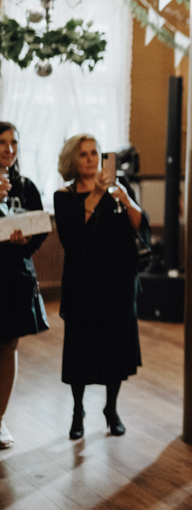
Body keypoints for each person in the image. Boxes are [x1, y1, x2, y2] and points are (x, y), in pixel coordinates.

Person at [54, 134, 148, 439]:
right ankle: (77, 411)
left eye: (94, 152)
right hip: (83, 283)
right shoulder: (64, 195)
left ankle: (111, 409)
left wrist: (126, 199)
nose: (91, 159)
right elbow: (71, 238)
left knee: (115, 347)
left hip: (118, 282)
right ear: (72, 160)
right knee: (80, 349)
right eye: (83, 154)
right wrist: (96, 194)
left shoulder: (119, 186)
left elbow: (140, 224)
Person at [0, 122, 49, 449]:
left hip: (13, 277)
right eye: (2, 142)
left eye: (14, 142)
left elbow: (40, 229)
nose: (9, 149)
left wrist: (26, 241)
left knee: (7, 348)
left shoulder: (26, 186)